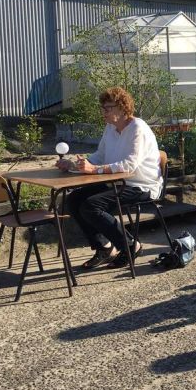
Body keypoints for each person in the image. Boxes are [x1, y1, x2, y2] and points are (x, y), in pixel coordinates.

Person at [59, 87, 162, 269]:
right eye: (103, 108)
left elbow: (130, 165)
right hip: (118, 182)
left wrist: (95, 170)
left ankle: (131, 245)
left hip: (141, 185)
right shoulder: (111, 128)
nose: (103, 112)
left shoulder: (138, 128)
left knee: (91, 205)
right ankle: (105, 247)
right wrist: (78, 165)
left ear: (122, 108)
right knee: (74, 199)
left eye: (108, 108)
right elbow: (101, 155)